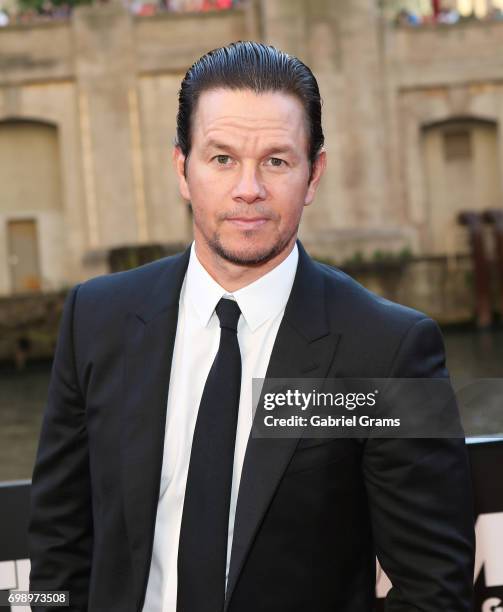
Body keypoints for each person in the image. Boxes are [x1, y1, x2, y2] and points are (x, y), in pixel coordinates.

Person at [29, 41, 475, 611]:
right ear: (182, 169)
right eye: (222, 159)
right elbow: (55, 542)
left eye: (276, 160)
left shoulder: (388, 349)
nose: (248, 189)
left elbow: (435, 589)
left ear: (313, 175)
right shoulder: (96, 317)